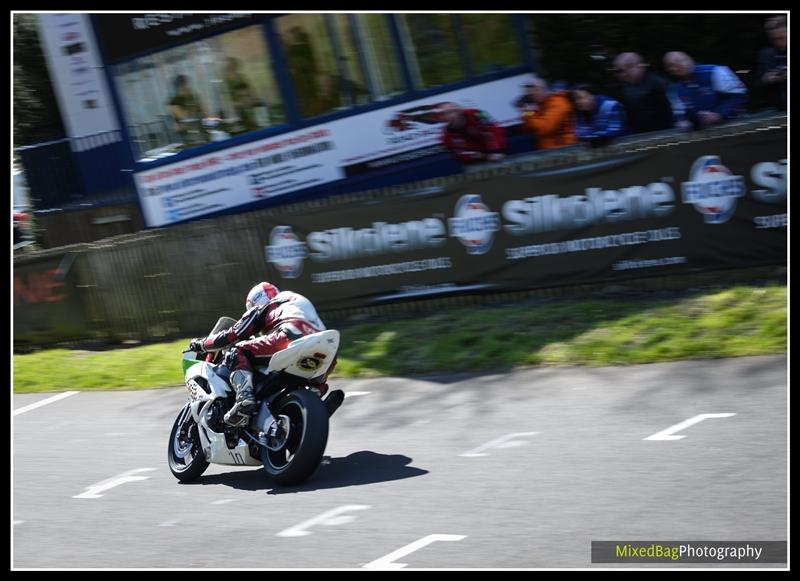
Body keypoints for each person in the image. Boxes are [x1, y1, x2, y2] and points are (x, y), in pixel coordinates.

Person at [188, 282, 339, 426]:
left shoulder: (266, 306)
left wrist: (202, 344)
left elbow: (231, 335)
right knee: (311, 383)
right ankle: (314, 401)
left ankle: (244, 398)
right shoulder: (292, 300)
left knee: (237, 350)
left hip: (289, 336)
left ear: (256, 301)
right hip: (326, 348)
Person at [663, 51, 747, 131]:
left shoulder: (714, 71)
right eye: (672, 65)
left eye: (680, 60)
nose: (679, 65)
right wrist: (683, 122)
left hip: (736, 124)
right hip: (705, 133)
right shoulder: (674, 90)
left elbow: (738, 96)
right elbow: (680, 114)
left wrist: (719, 114)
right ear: (670, 70)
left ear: (690, 59)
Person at [612, 52, 675, 134]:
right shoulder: (626, 87)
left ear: (638, 65)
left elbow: (676, 108)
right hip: (642, 135)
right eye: (618, 71)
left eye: (623, 70)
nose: (622, 74)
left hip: (666, 133)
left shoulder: (659, 83)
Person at [518, 76, 578, 150]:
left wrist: (529, 113)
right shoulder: (538, 106)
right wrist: (527, 113)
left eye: (534, 90)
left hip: (566, 149)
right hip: (551, 151)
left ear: (543, 89)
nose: (531, 94)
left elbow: (545, 129)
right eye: (529, 92)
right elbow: (527, 130)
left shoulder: (558, 102)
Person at [440, 102, 507, 164]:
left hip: (499, 151)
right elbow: (460, 153)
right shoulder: (447, 137)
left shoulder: (476, 113)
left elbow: (494, 128)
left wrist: (496, 151)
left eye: (454, 111)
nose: (452, 115)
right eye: (447, 113)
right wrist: (480, 156)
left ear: (460, 110)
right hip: (478, 162)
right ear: (444, 118)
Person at [570, 84, 627, 148]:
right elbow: (580, 132)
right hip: (598, 146)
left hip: (624, 143)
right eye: (575, 99)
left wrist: (594, 138)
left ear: (592, 96)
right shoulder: (579, 111)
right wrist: (592, 138)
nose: (578, 102)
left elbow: (615, 128)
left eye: (581, 98)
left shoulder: (609, 104)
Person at [754, 15, 787, 111]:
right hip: (776, 108)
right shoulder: (766, 55)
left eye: (782, 38)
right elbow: (756, 83)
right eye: (775, 39)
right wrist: (766, 79)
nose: (779, 42)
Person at [168, 74, 209, 145]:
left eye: (186, 85)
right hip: (186, 136)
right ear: (178, 88)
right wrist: (191, 103)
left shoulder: (192, 96)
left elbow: (204, 112)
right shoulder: (174, 102)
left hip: (200, 131)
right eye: (183, 86)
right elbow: (185, 118)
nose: (186, 88)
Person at [223, 57, 259, 132]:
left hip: (245, 102)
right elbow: (224, 95)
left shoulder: (240, 76)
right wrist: (233, 103)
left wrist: (253, 97)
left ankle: (253, 126)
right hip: (234, 105)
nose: (231, 66)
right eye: (229, 65)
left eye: (232, 64)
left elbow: (249, 88)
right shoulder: (225, 79)